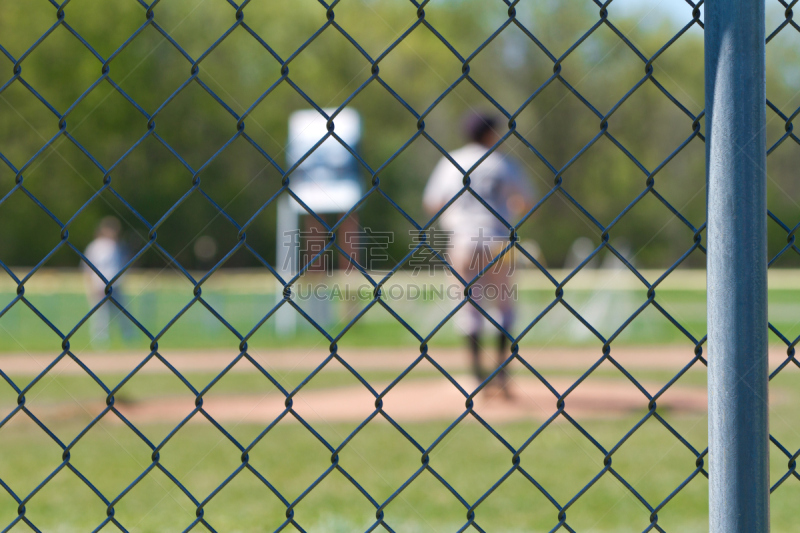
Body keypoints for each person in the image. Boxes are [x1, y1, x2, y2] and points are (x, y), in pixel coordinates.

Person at [423, 114, 536, 397]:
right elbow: (527, 201)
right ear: (490, 134)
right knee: (505, 307)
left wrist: (455, 217)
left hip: (463, 241)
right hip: (499, 239)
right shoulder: (503, 162)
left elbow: (432, 203)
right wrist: (510, 209)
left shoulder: (452, 161)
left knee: (469, 307)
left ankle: (476, 377)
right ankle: (502, 374)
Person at [82, 216, 127, 345]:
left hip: (116, 284)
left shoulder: (116, 245)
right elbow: (87, 268)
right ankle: (100, 340)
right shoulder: (95, 246)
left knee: (122, 312)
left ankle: (128, 337)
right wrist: (90, 285)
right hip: (99, 285)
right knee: (101, 314)